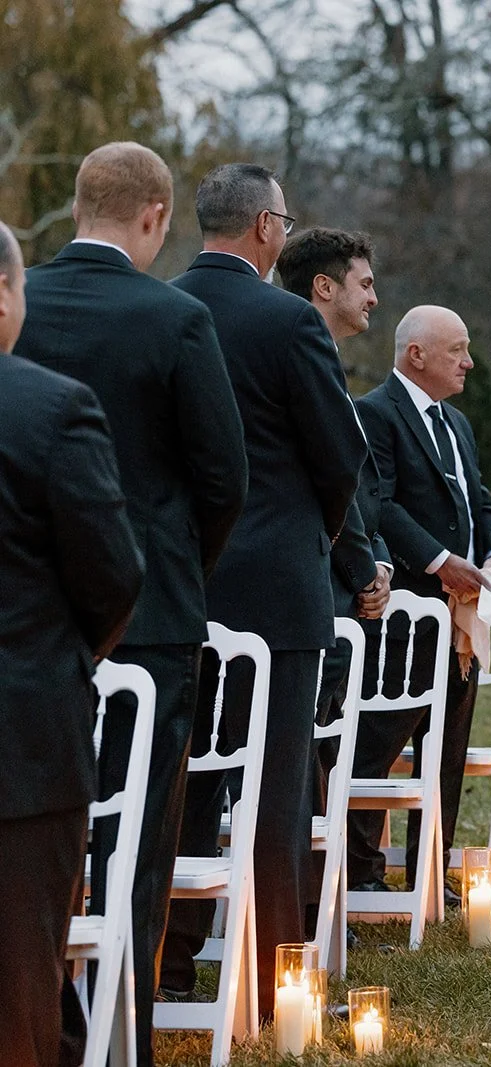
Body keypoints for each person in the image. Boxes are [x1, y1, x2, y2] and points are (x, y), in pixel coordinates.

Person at [13, 142, 249, 1067]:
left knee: (29, 843)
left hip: (28, 626)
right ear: (155, 218)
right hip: (149, 620)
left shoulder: (18, 303)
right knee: (136, 842)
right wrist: (179, 568)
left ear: (78, 206)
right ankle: (122, 1042)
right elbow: (222, 475)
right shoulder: (176, 316)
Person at [160, 163, 368, 1015]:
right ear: (266, 230)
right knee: (279, 793)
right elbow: (340, 454)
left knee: (183, 780)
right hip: (279, 591)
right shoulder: (289, 321)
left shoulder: (161, 309)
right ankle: (275, 985)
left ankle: (168, 962)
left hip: (180, 585)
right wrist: (314, 540)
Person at [0, 219, 145, 1067]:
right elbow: (113, 577)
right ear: (7, 293)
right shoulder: (51, 408)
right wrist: (69, 659)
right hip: (21, 740)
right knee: (21, 980)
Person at [348, 305, 491, 901]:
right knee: (380, 743)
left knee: (447, 746)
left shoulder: (457, 423)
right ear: (416, 355)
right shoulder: (375, 414)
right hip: (407, 614)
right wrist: (440, 561)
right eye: (457, 350)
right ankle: (361, 874)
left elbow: (482, 501)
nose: (468, 361)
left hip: (461, 616)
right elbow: (379, 505)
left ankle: (430, 876)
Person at [276, 227, 392, 709]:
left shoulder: (329, 364)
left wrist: (379, 562)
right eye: (364, 285)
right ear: (325, 287)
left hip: (347, 584)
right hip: (316, 589)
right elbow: (330, 477)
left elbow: (362, 486)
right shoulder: (293, 358)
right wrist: (364, 573)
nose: (374, 298)